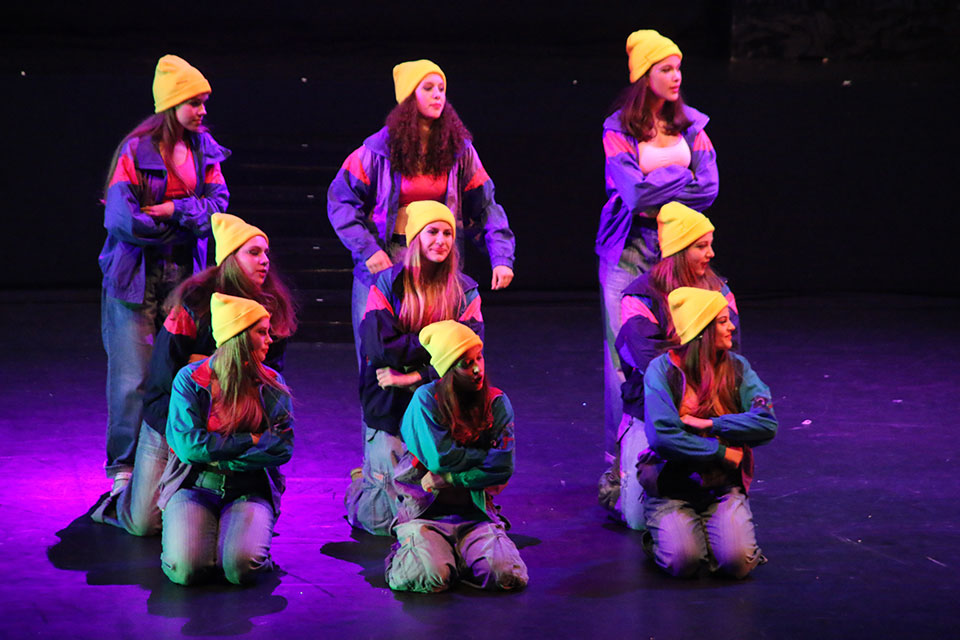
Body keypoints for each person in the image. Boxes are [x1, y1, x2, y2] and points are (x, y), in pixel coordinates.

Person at [92, 213, 297, 535]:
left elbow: (268, 378)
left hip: (230, 419)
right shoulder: (195, 302)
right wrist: (179, 435)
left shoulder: (271, 309)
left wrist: (245, 435)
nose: (265, 260)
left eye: (266, 253)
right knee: (143, 524)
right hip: (174, 416)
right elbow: (164, 376)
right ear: (230, 258)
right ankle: (121, 500)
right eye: (254, 252)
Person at [327, 59, 516, 367]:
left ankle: (429, 400)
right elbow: (341, 202)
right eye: (427, 88)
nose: (437, 94)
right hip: (386, 257)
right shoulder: (375, 151)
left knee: (440, 351)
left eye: (441, 88)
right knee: (376, 352)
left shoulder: (459, 151)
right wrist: (368, 249)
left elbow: (486, 205)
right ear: (408, 97)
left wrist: (502, 256)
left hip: (436, 258)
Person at [99, 54, 230, 495]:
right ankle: (123, 469)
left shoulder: (205, 151)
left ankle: (172, 457)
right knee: (132, 377)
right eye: (195, 102)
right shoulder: (136, 150)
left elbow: (217, 208)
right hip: (135, 275)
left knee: (178, 369)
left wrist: (174, 209)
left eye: (205, 101)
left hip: (183, 274)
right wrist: (182, 226)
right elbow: (122, 220)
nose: (203, 110)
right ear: (172, 104)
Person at [597, 30, 719, 475]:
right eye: (665, 69)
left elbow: (709, 188)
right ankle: (620, 462)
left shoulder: (693, 127)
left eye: (678, 68)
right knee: (624, 356)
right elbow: (634, 195)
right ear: (644, 76)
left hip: (678, 252)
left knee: (685, 344)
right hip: (628, 249)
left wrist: (659, 184)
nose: (676, 76)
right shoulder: (618, 131)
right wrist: (681, 176)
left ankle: (680, 446)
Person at [346, 201, 484, 536]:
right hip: (389, 401)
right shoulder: (386, 284)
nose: (441, 240)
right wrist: (440, 342)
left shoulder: (465, 290)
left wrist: (414, 375)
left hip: (440, 398)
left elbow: (468, 353)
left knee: (434, 508)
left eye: (447, 233)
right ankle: (360, 485)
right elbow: (381, 347)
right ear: (415, 238)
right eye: (432, 232)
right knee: (381, 523)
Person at [601, 201, 739, 529]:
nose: (711, 254)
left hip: (706, 408)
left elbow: (731, 353)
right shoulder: (640, 297)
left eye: (710, 245)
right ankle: (622, 482)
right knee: (638, 522)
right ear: (678, 251)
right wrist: (699, 356)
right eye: (701, 246)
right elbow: (651, 363)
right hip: (653, 410)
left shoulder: (720, 291)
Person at [639, 287, 776, 578]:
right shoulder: (661, 372)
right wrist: (721, 451)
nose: (732, 327)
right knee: (683, 563)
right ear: (702, 332)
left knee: (738, 564)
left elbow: (766, 423)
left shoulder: (737, 368)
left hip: (721, 487)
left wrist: (712, 424)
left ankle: (711, 536)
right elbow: (663, 437)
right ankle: (666, 536)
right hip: (672, 488)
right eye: (722, 321)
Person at [158, 293, 294, 586]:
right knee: (185, 570)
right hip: (194, 486)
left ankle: (238, 546)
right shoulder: (190, 380)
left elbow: (281, 447)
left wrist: (219, 455)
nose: (270, 340)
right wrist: (251, 440)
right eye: (261, 332)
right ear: (239, 337)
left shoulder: (271, 383)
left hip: (249, 488)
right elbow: (190, 447)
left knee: (240, 569)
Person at [385, 320, 528, 593]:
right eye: (465, 363)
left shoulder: (496, 403)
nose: (477, 369)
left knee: (506, 575)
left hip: (475, 514)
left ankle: (460, 557)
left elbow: (502, 468)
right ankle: (424, 553)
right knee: (428, 577)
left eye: (479, 358)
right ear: (448, 371)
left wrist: (451, 478)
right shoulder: (426, 401)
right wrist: (484, 455)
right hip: (426, 515)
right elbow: (441, 459)